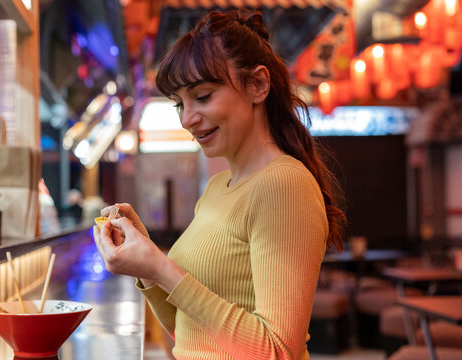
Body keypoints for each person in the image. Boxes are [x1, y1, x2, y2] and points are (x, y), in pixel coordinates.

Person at [94, 8, 346, 360]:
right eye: (179, 104)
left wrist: (161, 267)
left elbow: (278, 351)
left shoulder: (284, 184)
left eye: (202, 96)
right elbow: (186, 329)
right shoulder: (217, 188)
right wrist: (146, 264)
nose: (188, 119)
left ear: (257, 85)